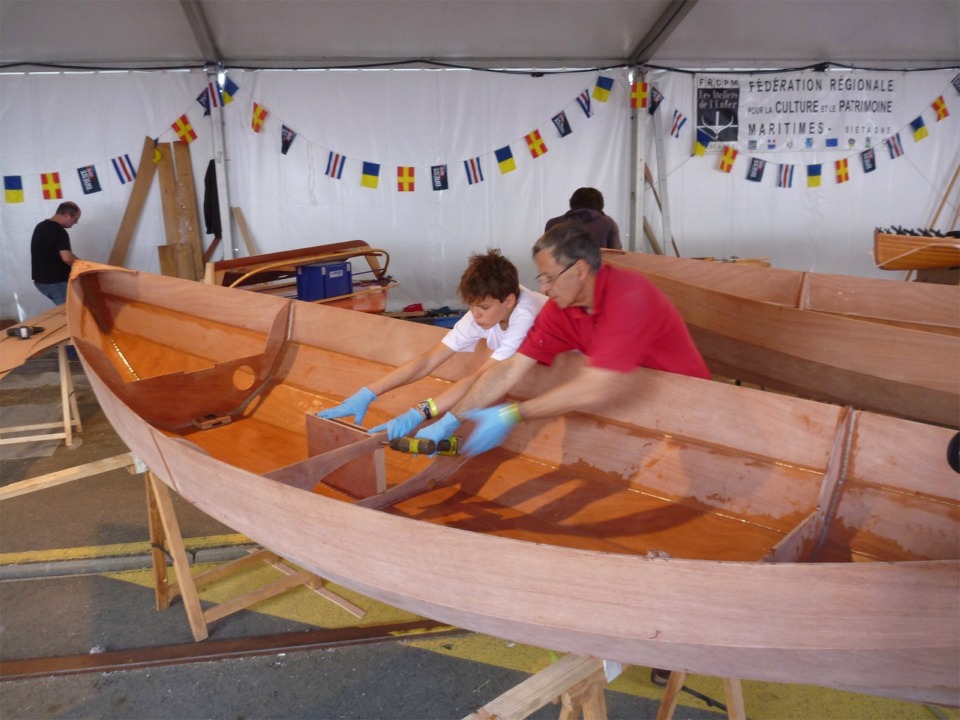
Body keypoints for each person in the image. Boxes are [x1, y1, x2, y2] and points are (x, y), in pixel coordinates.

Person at [415, 223, 710, 456]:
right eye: (540, 279)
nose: (544, 288)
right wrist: (452, 419)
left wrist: (512, 414)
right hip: (634, 400)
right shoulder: (560, 310)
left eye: (550, 278)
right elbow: (510, 369)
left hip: (693, 407)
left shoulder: (630, 296)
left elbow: (593, 388)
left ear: (580, 269)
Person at [316, 249, 547, 440]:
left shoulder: (524, 317)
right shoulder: (484, 311)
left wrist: (420, 413)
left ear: (509, 301)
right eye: (471, 306)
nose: (475, 314)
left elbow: (482, 379)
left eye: (483, 308)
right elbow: (429, 360)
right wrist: (368, 392)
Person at [31, 201, 81, 306]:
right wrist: (84, 265)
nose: (75, 223)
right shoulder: (60, 231)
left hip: (41, 281)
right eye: (75, 219)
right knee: (72, 312)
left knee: (71, 310)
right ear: (66, 215)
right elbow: (67, 257)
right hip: (56, 282)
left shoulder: (40, 226)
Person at [544, 187, 621, 250]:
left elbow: (546, 252)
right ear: (599, 206)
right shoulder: (607, 223)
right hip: (598, 268)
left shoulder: (553, 223)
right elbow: (616, 253)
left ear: (572, 203)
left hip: (562, 268)